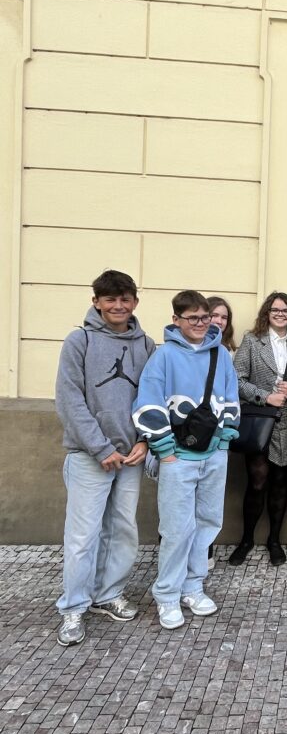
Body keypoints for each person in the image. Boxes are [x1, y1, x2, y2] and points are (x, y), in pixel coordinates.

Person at [54, 269, 156, 648]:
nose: (118, 305)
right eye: (110, 299)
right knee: (83, 536)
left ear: (135, 302)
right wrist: (101, 448)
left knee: (122, 530)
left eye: (125, 298)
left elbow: (153, 398)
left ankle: (107, 594)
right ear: (96, 301)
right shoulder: (79, 341)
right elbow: (70, 400)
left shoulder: (146, 345)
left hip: (130, 458)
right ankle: (73, 607)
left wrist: (145, 441)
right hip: (89, 457)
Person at [133, 291, 239, 629]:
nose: (201, 323)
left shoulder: (220, 354)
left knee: (207, 523)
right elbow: (148, 402)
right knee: (176, 529)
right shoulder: (163, 356)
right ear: (176, 320)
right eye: (192, 318)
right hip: (177, 457)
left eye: (205, 317)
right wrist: (165, 450)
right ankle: (167, 594)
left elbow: (231, 396)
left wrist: (224, 441)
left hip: (214, 454)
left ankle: (193, 586)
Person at [229, 292, 287, 566]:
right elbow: (236, 380)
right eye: (275, 310)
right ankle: (246, 540)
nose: (280, 314)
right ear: (267, 313)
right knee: (257, 481)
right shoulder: (252, 341)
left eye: (285, 310)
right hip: (259, 420)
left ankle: (274, 540)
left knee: (279, 481)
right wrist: (265, 397)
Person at [204, 295, 237, 568]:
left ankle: (205, 552)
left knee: (209, 501)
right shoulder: (187, 349)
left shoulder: (230, 351)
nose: (219, 321)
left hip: (219, 436)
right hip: (190, 435)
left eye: (224, 317)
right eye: (215, 315)